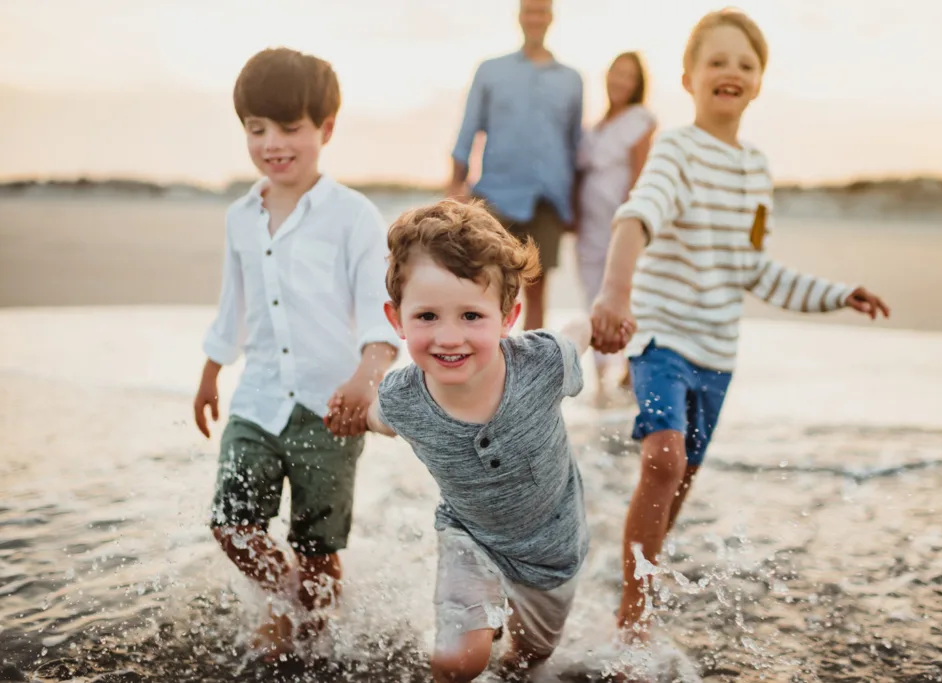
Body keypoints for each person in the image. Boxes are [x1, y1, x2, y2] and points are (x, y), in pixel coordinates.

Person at [589, 9, 891, 645]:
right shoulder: (676, 147)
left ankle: (638, 582)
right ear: (689, 77)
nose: (731, 72)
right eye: (717, 61)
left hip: (718, 353)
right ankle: (632, 620)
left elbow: (755, 267)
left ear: (759, 83)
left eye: (745, 64)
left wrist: (837, 294)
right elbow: (634, 218)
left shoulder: (757, 170)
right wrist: (614, 294)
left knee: (681, 482)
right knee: (664, 462)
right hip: (661, 337)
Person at [326, 200, 627, 682]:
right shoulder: (403, 398)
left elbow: (574, 332)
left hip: (552, 551)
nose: (449, 337)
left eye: (471, 315)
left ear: (508, 317)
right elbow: (377, 418)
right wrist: (350, 419)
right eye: (426, 316)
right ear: (396, 318)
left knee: (527, 661)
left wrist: (602, 320)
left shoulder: (542, 365)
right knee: (455, 661)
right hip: (468, 537)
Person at [192, 47, 400, 661]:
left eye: (290, 128)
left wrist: (368, 380)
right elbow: (234, 305)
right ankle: (284, 608)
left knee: (317, 551)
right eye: (257, 129)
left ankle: (318, 645)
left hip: (332, 405)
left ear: (325, 129)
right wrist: (209, 374)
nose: (272, 144)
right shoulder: (240, 217)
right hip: (257, 400)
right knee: (232, 525)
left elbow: (377, 312)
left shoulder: (353, 216)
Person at [447, 0, 584, 332]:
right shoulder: (490, 70)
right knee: (485, 287)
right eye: (529, 11)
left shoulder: (572, 80)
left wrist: (575, 208)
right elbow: (467, 133)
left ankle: (533, 376)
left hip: (548, 201)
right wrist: (454, 192)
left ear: (551, 17)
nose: (535, 18)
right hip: (496, 196)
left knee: (537, 292)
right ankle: (485, 367)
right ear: (520, 17)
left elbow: (575, 145)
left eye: (541, 11)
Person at [574, 51, 656, 402]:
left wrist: (630, 219)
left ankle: (631, 370)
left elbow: (639, 172)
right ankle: (601, 374)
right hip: (588, 225)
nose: (619, 81)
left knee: (624, 294)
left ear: (637, 84)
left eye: (627, 76)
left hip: (617, 221)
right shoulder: (597, 126)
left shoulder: (640, 119)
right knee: (592, 294)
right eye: (615, 73)